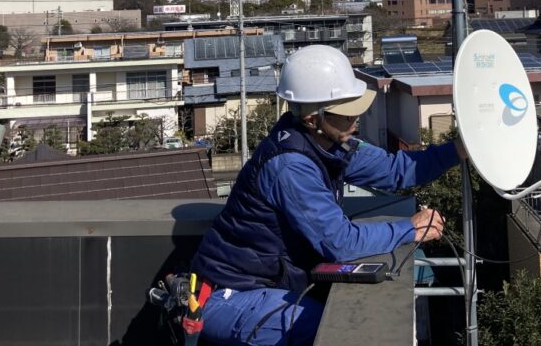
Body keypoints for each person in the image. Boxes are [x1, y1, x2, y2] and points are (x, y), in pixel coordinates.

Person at [188, 44, 465, 346]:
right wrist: (409, 228)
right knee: (330, 327)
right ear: (311, 118)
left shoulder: (331, 145)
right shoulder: (290, 167)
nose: (355, 120)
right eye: (346, 115)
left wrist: (458, 150)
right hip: (228, 294)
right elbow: (341, 243)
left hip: (268, 283)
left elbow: (395, 170)